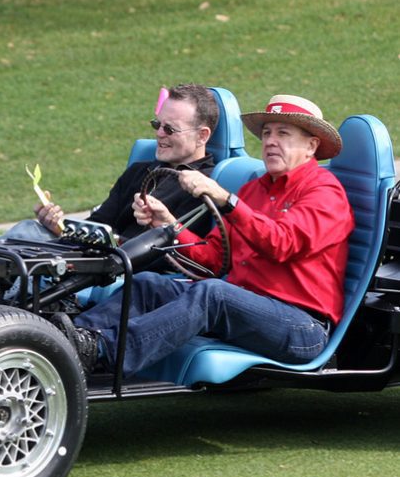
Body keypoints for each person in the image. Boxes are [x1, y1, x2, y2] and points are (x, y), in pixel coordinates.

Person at [57, 94, 355, 377]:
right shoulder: (254, 190)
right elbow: (213, 259)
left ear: (311, 146)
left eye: (283, 134)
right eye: (266, 133)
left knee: (214, 294)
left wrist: (228, 201)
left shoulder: (324, 192)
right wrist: (169, 226)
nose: (271, 142)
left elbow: (280, 244)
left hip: (303, 327)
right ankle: (64, 341)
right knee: (148, 285)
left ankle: (100, 351)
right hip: (246, 309)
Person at [0, 83, 220, 245]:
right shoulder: (140, 171)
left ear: (202, 136)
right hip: (98, 256)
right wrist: (58, 226)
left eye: (170, 129)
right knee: (28, 230)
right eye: (157, 124)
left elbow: (178, 252)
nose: (159, 134)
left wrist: (109, 241)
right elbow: (99, 223)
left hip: (129, 270)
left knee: (27, 240)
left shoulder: (205, 185)